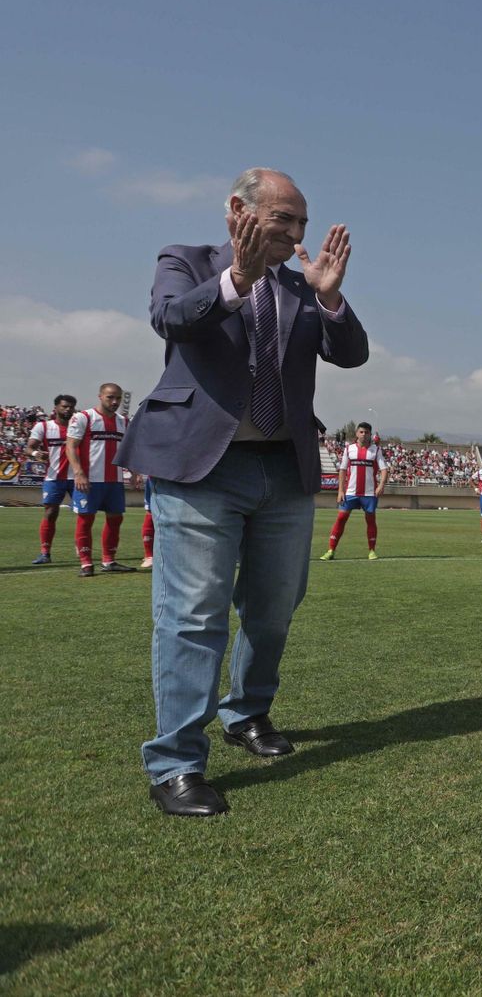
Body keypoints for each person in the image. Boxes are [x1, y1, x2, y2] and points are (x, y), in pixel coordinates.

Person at [121, 167, 367, 816]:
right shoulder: (188, 260)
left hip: (283, 470)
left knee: (273, 608)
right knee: (194, 615)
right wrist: (238, 281)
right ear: (239, 209)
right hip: (204, 467)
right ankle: (175, 764)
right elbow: (170, 318)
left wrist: (332, 300)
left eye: (301, 224)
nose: (294, 233)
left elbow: (353, 353)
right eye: (282, 219)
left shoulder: (303, 286)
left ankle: (247, 713)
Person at [66, 383, 133, 577]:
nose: (115, 402)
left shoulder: (124, 422)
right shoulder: (84, 418)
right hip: (89, 480)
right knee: (86, 519)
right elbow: (70, 446)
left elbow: (128, 450)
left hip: (114, 480)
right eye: (110, 397)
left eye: (118, 398)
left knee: (116, 518)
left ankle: (109, 560)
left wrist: (134, 471)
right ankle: (86, 563)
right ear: (100, 396)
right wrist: (78, 472)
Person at [320, 422, 387, 561]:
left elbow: (384, 469)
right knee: (341, 518)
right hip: (350, 492)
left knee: (370, 520)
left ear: (370, 434)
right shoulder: (349, 449)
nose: (364, 434)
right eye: (361, 432)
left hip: (369, 493)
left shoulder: (376, 450)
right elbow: (343, 470)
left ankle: (372, 551)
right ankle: (331, 550)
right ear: (357, 433)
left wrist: (381, 485)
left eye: (367, 432)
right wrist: (340, 491)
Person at [25, 393, 76, 564]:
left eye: (70, 406)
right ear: (56, 408)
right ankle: (45, 552)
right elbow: (29, 447)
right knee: (50, 512)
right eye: (64, 406)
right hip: (54, 477)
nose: (68, 409)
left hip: (78, 477)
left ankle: (82, 547)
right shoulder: (44, 427)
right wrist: (36, 453)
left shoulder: (79, 427)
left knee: (84, 513)